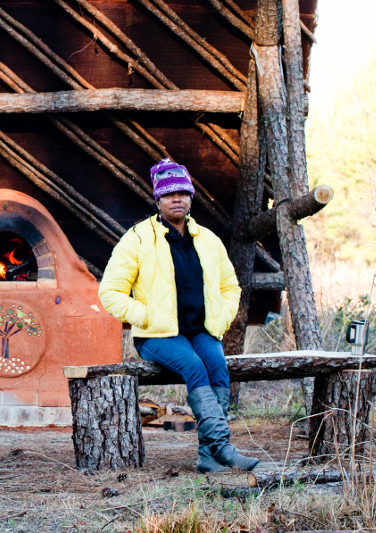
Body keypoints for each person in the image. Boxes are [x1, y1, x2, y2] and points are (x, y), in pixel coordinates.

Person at [98, 159, 258, 473]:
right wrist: (145, 316)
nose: (177, 199)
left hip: (200, 330)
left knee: (217, 367)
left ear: (190, 198)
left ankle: (208, 458)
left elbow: (230, 286)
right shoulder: (137, 238)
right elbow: (110, 292)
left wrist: (221, 318)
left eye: (182, 193)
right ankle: (222, 447)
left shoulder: (208, 240)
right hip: (157, 335)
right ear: (157, 200)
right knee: (195, 367)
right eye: (169, 194)